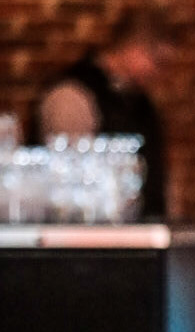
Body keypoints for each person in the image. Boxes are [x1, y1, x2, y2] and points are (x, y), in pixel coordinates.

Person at [36, 12, 172, 217]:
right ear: (134, 48)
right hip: (90, 231)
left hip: (138, 229)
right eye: (158, 62)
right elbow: (71, 183)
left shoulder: (140, 102)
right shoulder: (73, 94)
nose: (158, 73)